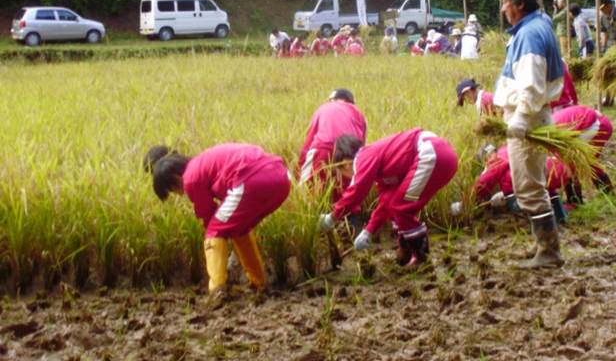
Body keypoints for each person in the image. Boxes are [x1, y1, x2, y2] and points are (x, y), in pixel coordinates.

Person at [145, 143, 291, 300]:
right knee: (238, 227)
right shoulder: (200, 163)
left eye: (172, 190)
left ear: (175, 179)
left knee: (214, 230)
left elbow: (207, 215)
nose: (178, 195)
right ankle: (258, 283)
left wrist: (214, 242)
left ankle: (217, 289)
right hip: (281, 177)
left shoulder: (190, 179)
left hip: (251, 180)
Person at [495, 0, 565, 269]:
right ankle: (544, 246)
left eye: (504, 2)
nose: (502, 9)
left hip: (529, 116)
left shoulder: (529, 34)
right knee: (532, 182)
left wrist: (521, 118)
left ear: (519, 4)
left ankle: (548, 251)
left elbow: (532, 83)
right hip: (534, 112)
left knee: (528, 187)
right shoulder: (539, 24)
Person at [319, 129, 458, 266]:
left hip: (430, 154)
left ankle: (420, 257)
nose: (348, 177)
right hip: (443, 156)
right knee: (398, 206)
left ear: (346, 164)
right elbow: (386, 202)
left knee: (400, 208)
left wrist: (332, 217)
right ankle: (406, 251)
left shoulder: (363, 157)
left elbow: (356, 191)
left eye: (343, 172)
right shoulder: (382, 165)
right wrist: (369, 231)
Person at [457, 144, 574, 224]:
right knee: (538, 187)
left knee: (511, 192)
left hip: (546, 172)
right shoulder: (509, 147)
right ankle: (560, 214)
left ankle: (532, 216)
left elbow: (484, 181)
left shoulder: (498, 158)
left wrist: (466, 202)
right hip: (558, 169)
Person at [298, 89, 367, 191]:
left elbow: (308, 143)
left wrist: (300, 166)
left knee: (308, 192)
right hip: (349, 155)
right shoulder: (359, 113)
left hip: (323, 149)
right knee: (346, 193)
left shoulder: (323, 108)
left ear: (331, 100)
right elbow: (362, 145)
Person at [552, 105, 614, 193]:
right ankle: (576, 199)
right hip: (593, 123)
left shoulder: (552, 134)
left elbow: (566, 160)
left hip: (600, 125)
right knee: (574, 164)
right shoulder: (549, 123)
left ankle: (608, 192)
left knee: (588, 163)